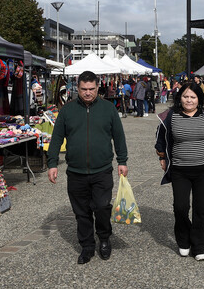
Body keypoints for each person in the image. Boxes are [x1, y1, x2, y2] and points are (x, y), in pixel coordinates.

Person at [47, 71, 128, 264]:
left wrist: (122, 161)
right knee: (81, 212)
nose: (88, 93)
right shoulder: (67, 111)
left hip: (102, 170)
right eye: (84, 89)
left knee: (101, 207)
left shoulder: (108, 109)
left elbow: (119, 136)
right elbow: (57, 138)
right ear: (78, 88)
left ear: (98, 87)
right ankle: (87, 246)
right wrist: (52, 163)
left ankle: (104, 237)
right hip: (76, 172)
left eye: (91, 89)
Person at [154, 82, 204, 261]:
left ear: (199, 98)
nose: (189, 100)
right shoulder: (170, 116)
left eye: (193, 97)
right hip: (180, 170)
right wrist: (162, 156)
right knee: (180, 207)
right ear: (180, 97)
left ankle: (199, 244)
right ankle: (183, 239)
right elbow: (160, 138)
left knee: (201, 209)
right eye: (185, 96)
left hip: (203, 169)